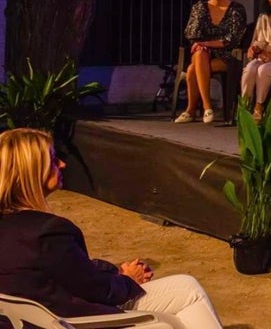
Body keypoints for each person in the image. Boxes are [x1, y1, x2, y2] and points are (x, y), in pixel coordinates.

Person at [0, 128, 223, 328]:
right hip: (76, 321)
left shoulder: (15, 228)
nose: (62, 164)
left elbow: (70, 270)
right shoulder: (48, 232)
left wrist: (116, 271)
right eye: (53, 160)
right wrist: (129, 279)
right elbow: (97, 291)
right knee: (188, 291)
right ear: (31, 173)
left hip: (27, 320)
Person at [176, 0, 248, 124]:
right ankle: (208, 107)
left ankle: (191, 110)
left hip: (226, 55)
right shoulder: (200, 7)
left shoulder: (236, 9)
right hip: (202, 54)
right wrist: (204, 46)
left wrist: (207, 44)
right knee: (200, 53)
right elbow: (192, 33)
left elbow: (232, 39)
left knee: (192, 69)